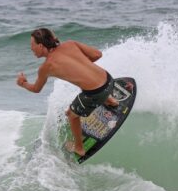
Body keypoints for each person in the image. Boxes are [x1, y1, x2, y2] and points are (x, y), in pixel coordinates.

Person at [16, 28, 118, 156]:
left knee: (71, 114)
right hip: (110, 80)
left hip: (97, 93)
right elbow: (97, 54)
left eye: (32, 45)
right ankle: (111, 100)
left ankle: (79, 148)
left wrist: (23, 84)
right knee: (85, 83)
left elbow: (36, 89)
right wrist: (82, 66)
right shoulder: (70, 44)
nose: (31, 49)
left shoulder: (46, 67)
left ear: (41, 46)